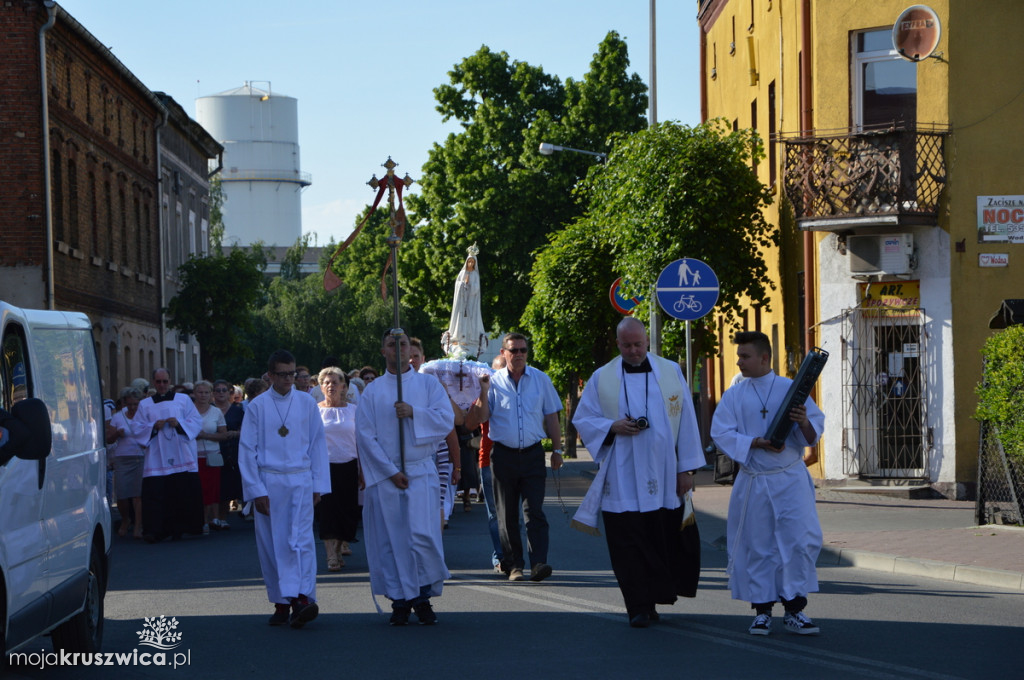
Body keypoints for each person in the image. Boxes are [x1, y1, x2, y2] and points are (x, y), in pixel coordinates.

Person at [572, 318, 705, 627]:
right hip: (622, 475)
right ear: (618, 344)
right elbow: (583, 419)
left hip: (663, 474)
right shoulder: (601, 377)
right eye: (626, 345)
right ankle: (637, 606)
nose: (633, 351)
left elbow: (686, 422)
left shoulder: (670, 371)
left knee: (660, 538)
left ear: (647, 342)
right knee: (627, 542)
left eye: (638, 344)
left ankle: (654, 599)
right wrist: (611, 426)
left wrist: (687, 470)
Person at [711, 331, 825, 636]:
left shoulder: (792, 389)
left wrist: (802, 421)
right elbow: (720, 433)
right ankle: (762, 611)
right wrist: (756, 443)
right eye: (739, 356)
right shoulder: (735, 393)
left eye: (745, 356)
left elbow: (812, 436)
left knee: (799, 543)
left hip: (789, 478)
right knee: (759, 545)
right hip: (755, 480)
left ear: (764, 358)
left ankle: (795, 610)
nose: (739, 362)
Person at [356, 330, 454, 625]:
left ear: (411, 349)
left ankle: (422, 595)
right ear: (383, 350)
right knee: (391, 538)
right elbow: (365, 436)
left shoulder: (427, 384)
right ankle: (400, 599)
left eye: (403, 344)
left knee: (421, 536)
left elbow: (446, 419)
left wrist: (414, 412)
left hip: (421, 469)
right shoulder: (372, 392)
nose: (398, 349)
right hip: (386, 475)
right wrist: (390, 472)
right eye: (391, 344)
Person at [239, 350, 330, 629]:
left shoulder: (306, 403)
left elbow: (317, 446)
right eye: (282, 374)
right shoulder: (257, 406)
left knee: (300, 541)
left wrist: (318, 485)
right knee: (272, 544)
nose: (289, 379)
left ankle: (302, 598)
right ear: (270, 375)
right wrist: (256, 491)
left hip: (301, 480)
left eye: (292, 374)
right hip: (270, 482)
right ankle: (281, 602)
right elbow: (247, 450)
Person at [483, 332, 563, 582]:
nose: (518, 354)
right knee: (506, 514)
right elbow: (481, 417)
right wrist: (482, 391)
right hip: (504, 456)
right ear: (503, 353)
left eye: (523, 350)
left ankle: (538, 562)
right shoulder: (493, 382)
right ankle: (514, 565)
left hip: (532, 454)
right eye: (513, 350)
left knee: (535, 511)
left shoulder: (540, 379)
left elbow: (551, 416)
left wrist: (558, 450)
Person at [132, 368, 204, 542]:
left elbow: (195, 421)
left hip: (180, 452)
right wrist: (152, 427)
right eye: (158, 382)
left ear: (169, 381)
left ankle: (182, 528)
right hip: (157, 455)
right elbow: (137, 427)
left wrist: (179, 424)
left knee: (182, 492)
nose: (162, 385)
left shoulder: (183, 399)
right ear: (154, 383)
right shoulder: (145, 404)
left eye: (165, 381)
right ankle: (156, 530)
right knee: (156, 494)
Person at [317, 367, 360, 571]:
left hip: (349, 466)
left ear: (343, 386)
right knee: (327, 511)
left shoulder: (353, 410)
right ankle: (331, 555)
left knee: (347, 511)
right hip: (324, 467)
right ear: (320, 386)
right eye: (326, 382)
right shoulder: (315, 410)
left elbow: (361, 441)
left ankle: (341, 543)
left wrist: (363, 469)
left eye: (335, 382)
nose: (331, 386)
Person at [478, 355, 507, 572]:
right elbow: (471, 420)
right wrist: (483, 391)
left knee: (514, 513)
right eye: (498, 371)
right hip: (488, 460)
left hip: (515, 459)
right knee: (494, 514)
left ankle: (514, 557)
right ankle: (500, 557)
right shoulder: (484, 393)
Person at [108, 386, 146, 539]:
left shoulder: (145, 416)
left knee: (138, 495)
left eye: (135, 404)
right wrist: (117, 433)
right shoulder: (118, 417)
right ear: (124, 403)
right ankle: (125, 519)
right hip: (123, 458)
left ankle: (138, 525)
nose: (132, 407)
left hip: (141, 457)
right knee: (122, 495)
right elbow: (108, 439)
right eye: (129, 404)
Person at [193, 380, 229, 534]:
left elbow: (224, 435)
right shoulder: (188, 411)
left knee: (213, 488)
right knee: (199, 489)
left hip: (213, 455)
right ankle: (201, 520)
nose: (203, 395)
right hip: (193, 456)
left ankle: (213, 519)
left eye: (206, 392)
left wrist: (205, 435)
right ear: (195, 394)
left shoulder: (216, 412)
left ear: (211, 394)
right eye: (200, 392)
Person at [212, 379, 244, 515]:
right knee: (216, 485)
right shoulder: (209, 410)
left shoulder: (237, 411)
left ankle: (226, 516)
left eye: (224, 390)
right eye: (218, 390)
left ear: (229, 393)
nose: (221, 393)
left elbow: (246, 431)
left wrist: (235, 433)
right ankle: (214, 517)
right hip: (213, 449)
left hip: (233, 450)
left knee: (232, 484)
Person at [445, 249, 486, 355]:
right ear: (466, 262)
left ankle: (469, 338)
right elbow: (457, 287)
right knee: (460, 320)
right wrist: (463, 284)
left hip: (472, 304)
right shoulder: (462, 273)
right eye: (469, 261)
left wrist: (470, 285)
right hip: (462, 303)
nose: (471, 263)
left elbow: (476, 289)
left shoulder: (476, 275)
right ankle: (459, 338)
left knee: (470, 321)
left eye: (473, 262)